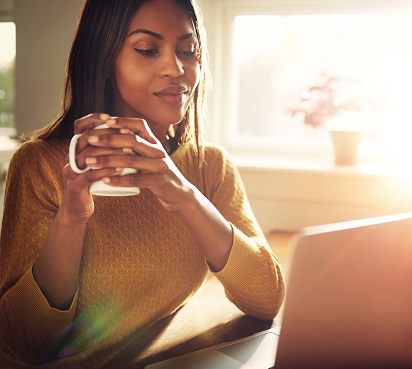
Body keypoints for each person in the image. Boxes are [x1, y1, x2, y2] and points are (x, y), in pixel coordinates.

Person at [0, 0, 285, 367]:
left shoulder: (208, 165)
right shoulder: (41, 166)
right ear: (104, 59)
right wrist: (71, 219)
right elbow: (21, 344)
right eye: (147, 50)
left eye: (188, 50)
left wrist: (180, 192)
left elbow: (266, 298)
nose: (176, 68)